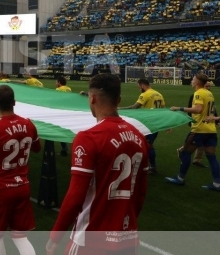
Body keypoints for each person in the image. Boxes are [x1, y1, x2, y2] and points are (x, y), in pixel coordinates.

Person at [46, 73, 149, 255]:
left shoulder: (88, 138)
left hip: (92, 240)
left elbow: (75, 196)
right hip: (127, 240)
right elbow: (140, 193)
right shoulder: (139, 138)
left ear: (92, 98)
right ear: (119, 100)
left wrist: (55, 236)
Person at [0, 84, 41, 255]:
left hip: (0, 189)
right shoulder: (28, 124)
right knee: (20, 236)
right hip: (22, 185)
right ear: (14, 102)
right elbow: (37, 148)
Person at [167, 73, 220, 190]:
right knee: (212, 157)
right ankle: (217, 183)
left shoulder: (199, 93)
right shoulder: (209, 93)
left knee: (185, 153)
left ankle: (180, 179)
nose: (191, 81)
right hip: (211, 130)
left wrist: (178, 108)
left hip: (199, 130)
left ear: (197, 82)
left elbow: (198, 109)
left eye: (193, 79)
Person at [119, 78, 165, 175]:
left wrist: (120, 109)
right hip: (157, 123)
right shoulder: (159, 94)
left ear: (142, 85)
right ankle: (146, 165)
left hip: (148, 124)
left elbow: (134, 107)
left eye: (139, 87)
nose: (139, 89)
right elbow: (163, 110)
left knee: (147, 145)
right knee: (145, 144)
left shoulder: (145, 94)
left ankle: (151, 166)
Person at [55, 76, 72, 156]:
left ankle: (64, 149)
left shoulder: (58, 90)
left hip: (60, 112)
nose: (55, 83)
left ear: (59, 82)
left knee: (60, 130)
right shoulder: (69, 89)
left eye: (56, 82)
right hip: (68, 111)